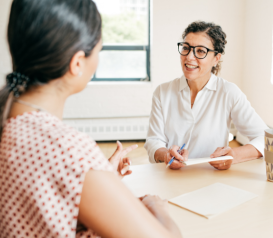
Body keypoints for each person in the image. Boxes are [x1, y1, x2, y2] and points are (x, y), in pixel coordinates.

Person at [0, 1, 181, 238]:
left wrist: (98, 174)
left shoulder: (10, 119)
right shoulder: (67, 149)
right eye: (99, 51)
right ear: (76, 63)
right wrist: (156, 206)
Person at [144, 21, 268, 170]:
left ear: (216, 59)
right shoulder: (162, 92)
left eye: (201, 51)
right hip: (171, 175)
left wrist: (233, 155)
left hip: (212, 178)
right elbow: (153, 141)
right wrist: (165, 155)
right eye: (186, 48)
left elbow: (266, 138)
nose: (189, 57)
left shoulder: (228, 92)